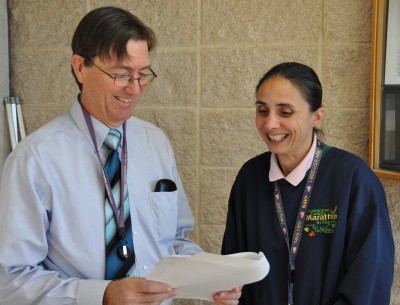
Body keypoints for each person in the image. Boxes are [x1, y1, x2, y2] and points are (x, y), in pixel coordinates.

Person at [0, 6, 240, 305]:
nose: (135, 89)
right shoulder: (34, 159)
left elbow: (175, 243)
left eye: (143, 75)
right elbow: (11, 281)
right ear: (80, 68)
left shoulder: (156, 142)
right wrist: (103, 295)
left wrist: (211, 280)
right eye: (122, 74)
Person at [221, 62, 395, 305]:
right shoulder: (249, 178)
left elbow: (369, 282)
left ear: (316, 116)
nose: (270, 124)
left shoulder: (354, 179)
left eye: (285, 112)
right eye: (263, 111)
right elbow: (233, 267)